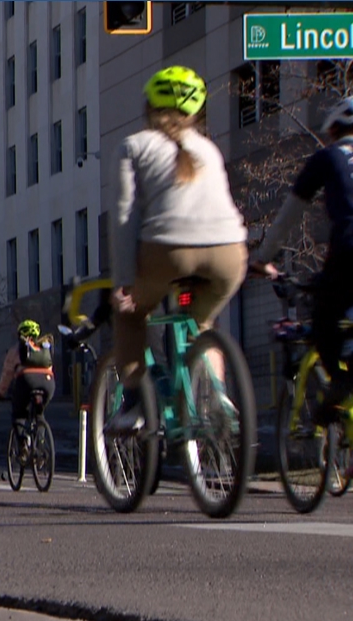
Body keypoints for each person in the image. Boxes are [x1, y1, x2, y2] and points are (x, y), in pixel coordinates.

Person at [107, 66, 248, 432]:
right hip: (230, 252)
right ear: (197, 112)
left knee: (132, 314)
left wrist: (124, 282)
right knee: (202, 324)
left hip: (168, 251)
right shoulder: (209, 148)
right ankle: (217, 397)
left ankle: (136, 402)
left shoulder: (134, 145)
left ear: (148, 107)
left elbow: (124, 215)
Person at [252, 96, 353, 427]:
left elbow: (288, 216)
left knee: (325, 318)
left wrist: (263, 258)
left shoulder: (328, 157)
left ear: (335, 128)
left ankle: (340, 383)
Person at [0, 320, 56, 433]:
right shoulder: (44, 348)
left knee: (19, 414)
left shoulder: (15, 350)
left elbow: (7, 374)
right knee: (39, 413)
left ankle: (23, 446)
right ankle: (40, 444)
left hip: (26, 380)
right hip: (48, 382)